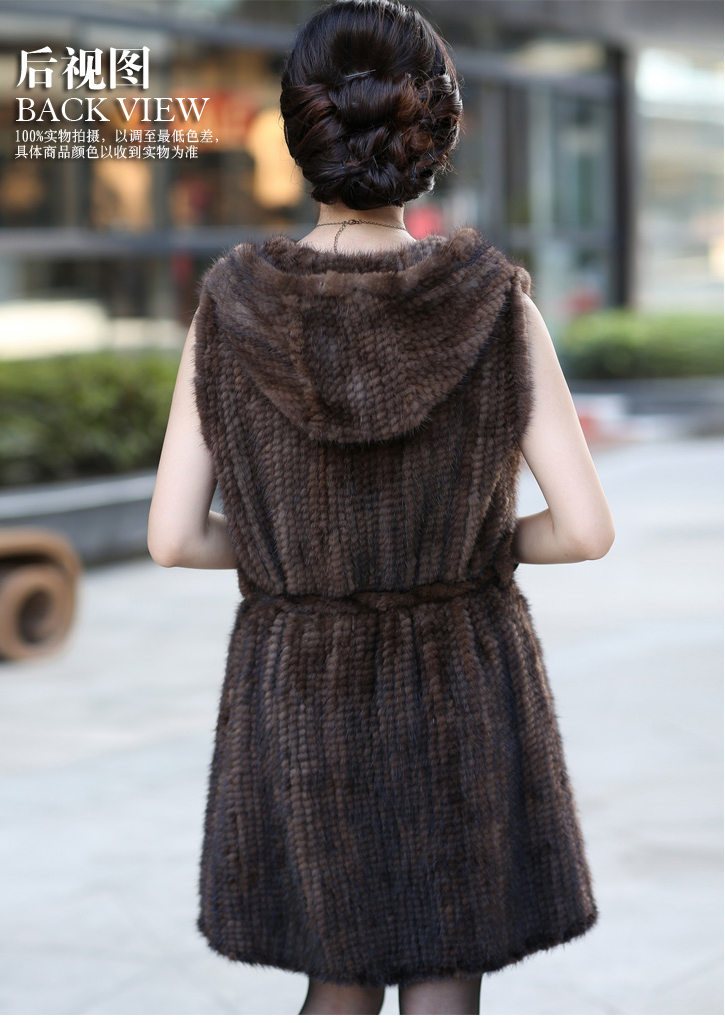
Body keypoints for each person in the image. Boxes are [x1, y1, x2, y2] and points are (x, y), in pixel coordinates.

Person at [147, 0, 615, 1014]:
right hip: (459, 677)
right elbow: (584, 529)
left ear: (299, 132)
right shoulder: (495, 303)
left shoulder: (231, 310)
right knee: (448, 972)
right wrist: (479, 544)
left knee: (337, 974)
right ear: (433, 132)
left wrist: (296, 556)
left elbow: (173, 536)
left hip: (300, 685)